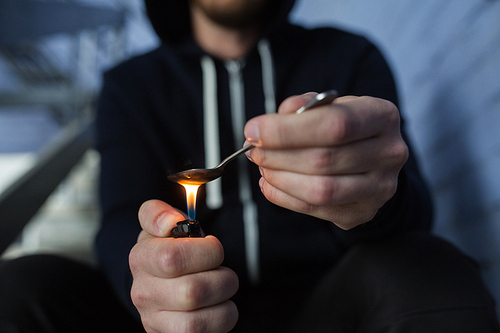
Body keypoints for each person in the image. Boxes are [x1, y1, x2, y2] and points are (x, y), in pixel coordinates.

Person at [0, 0, 498, 332]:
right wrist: (151, 283)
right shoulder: (132, 86)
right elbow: (119, 222)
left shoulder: (347, 56)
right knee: (18, 289)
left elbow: (413, 209)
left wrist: (373, 200)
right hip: (172, 323)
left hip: (328, 309)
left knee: (427, 264)